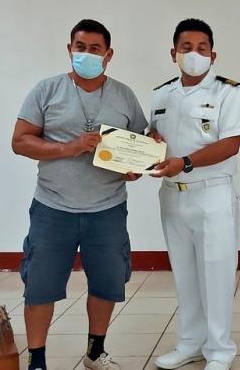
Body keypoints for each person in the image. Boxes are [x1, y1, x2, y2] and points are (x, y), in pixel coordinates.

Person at [12, 19, 148, 370]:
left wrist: (136, 167)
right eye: (80, 47)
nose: (86, 54)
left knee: (107, 282)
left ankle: (95, 352)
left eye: (95, 49)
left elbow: (139, 147)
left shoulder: (124, 96)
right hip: (52, 207)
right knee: (40, 286)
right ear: (70, 49)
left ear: (109, 54)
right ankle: (37, 360)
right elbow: (20, 141)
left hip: (108, 209)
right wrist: (70, 147)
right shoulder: (47, 90)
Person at [148, 18, 240, 370]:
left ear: (213, 54)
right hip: (171, 195)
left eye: (201, 48)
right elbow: (153, 139)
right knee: (184, 273)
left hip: (212, 194)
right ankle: (190, 342)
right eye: (186, 48)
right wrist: (149, 146)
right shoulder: (161, 94)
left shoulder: (228, 91)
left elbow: (231, 144)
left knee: (216, 275)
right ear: (173, 52)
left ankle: (220, 351)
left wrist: (186, 162)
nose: (193, 54)